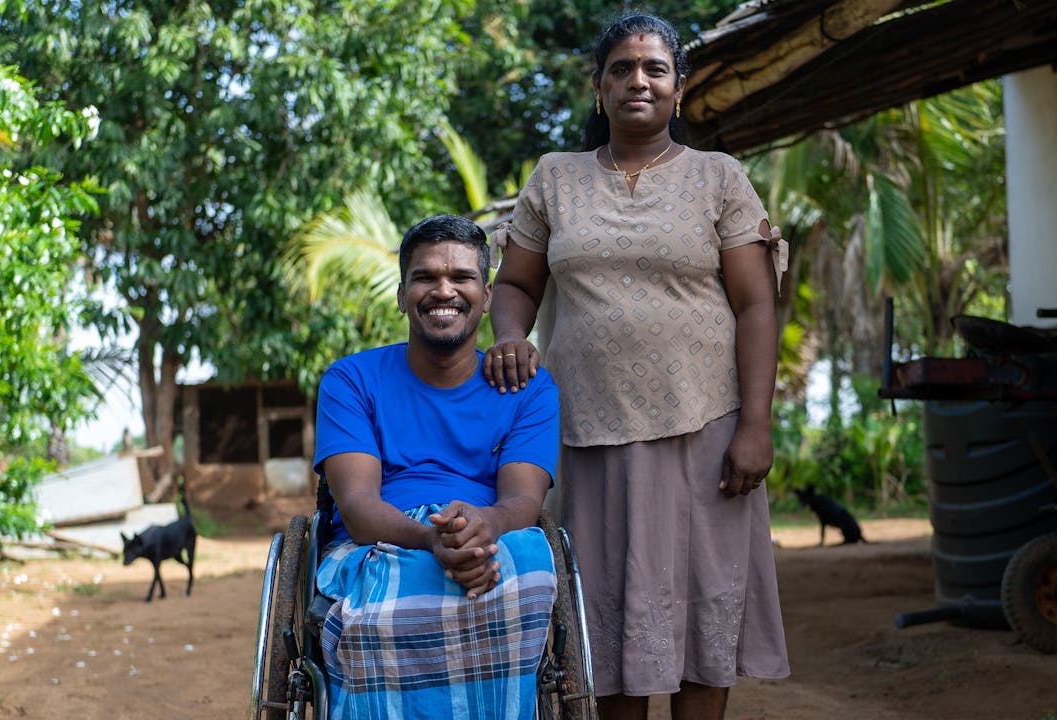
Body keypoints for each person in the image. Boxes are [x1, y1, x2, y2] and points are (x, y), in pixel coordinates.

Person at [483, 13, 790, 720]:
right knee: (605, 628)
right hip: (589, 434)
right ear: (599, 88)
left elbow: (756, 305)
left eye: (655, 68)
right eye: (621, 69)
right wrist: (509, 335)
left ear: (680, 88)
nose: (638, 81)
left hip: (705, 430)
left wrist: (756, 424)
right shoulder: (555, 178)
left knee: (702, 620)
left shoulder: (719, 177)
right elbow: (516, 284)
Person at [312, 214, 561, 720]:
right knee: (384, 600)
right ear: (402, 295)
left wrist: (482, 525)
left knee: (531, 572)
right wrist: (432, 539)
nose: (443, 290)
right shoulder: (351, 380)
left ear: (486, 296)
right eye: (424, 277)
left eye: (461, 277)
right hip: (379, 541)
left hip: (491, 535)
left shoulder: (529, 389)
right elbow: (356, 505)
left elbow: (522, 501)